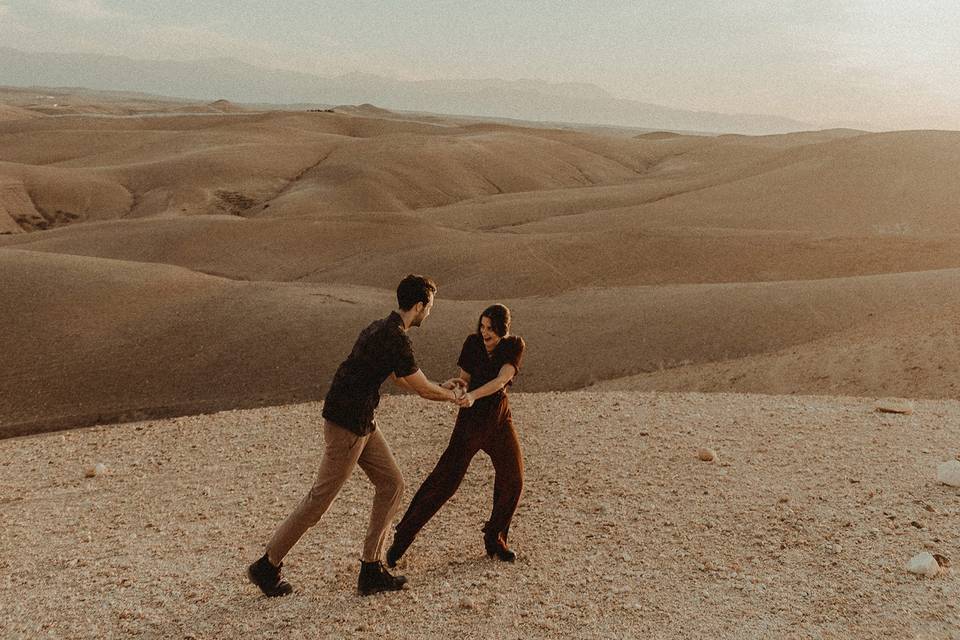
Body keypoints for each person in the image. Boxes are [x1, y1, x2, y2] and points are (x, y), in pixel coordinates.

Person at [247, 274, 464, 597]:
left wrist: (440, 388)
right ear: (419, 306)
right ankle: (267, 565)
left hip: (360, 419)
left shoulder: (381, 328)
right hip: (348, 423)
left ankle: (371, 568)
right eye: (429, 306)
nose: (429, 313)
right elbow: (419, 389)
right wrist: (452, 397)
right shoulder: (396, 338)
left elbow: (400, 377)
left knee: (392, 483)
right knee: (319, 500)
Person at [387, 303, 525, 567]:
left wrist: (473, 394)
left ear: (503, 331)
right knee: (444, 482)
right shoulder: (472, 343)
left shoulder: (514, 346)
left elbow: (501, 380)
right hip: (471, 422)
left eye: (491, 330)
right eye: (482, 327)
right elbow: (465, 378)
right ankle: (400, 541)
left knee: (513, 479)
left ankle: (495, 540)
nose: (485, 333)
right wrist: (459, 387)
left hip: (498, 418)